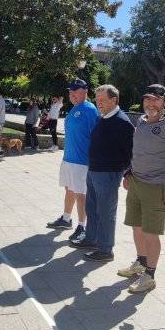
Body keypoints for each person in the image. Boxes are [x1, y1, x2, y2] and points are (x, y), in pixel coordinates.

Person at [118, 84, 165, 293]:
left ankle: (149, 276)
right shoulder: (141, 120)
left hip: (156, 186)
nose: (151, 103)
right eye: (148, 99)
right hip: (136, 182)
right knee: (136, 226)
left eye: (156, 99)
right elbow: (137, 151)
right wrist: (128, 172)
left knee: (151, 232)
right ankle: (140, 262)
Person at [70, 85, 134, 262]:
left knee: (106, 212)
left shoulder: (123, 122)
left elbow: (130, 152)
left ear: (114, 100)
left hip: (109, 173)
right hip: (94, 170)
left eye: (102, 100)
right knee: (92, 208)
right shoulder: (101, 118)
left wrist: (125, 172)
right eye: (97, 100)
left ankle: (106, 250)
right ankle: (91, 239)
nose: (99, 103)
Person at [47, 79, 99, 242]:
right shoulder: (74, 109)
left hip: (81, 162)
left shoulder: (89, 109)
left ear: (85, 91)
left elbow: (96, 135)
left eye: (75, 91)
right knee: (69, 189)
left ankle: (82, 227)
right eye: (70, 91)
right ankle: (66, 219)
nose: (72, 94)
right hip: (69, 159)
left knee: (80, 194)